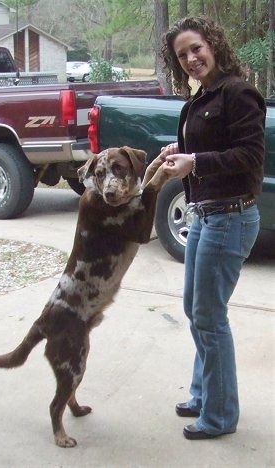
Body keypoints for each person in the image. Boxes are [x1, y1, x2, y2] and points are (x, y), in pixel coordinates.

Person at [147, 15, 266, 440]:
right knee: (195, 310)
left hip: (230, 216)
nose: (191, 58)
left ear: (213, 43)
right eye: (182, 55)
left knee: (210, 317)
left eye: (196, 48)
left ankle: (220, 415)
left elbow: (249, 156)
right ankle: (203, 393)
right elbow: (215, 146)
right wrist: (182, 150)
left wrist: (194, 162)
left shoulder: (238, 92)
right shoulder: (199, 98)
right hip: (205, 214)